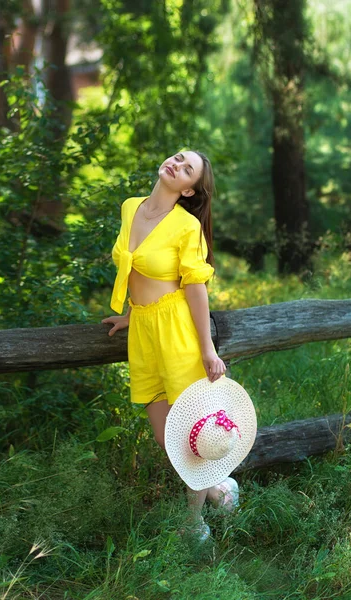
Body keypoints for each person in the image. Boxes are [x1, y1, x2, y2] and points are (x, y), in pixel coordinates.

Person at [101, 150, 238, 539]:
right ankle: (217, 487)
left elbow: (195, 288)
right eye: (177, 158)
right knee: (166, 437)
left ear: (189, 188)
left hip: (177, 331)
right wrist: (132, 313)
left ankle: (193, 526)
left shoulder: (185, 226)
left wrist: (207, 348)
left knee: (193, 434)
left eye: (187, 168)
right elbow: (133, 266)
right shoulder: (131, 208)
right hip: (144, 330)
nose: (176, 164)